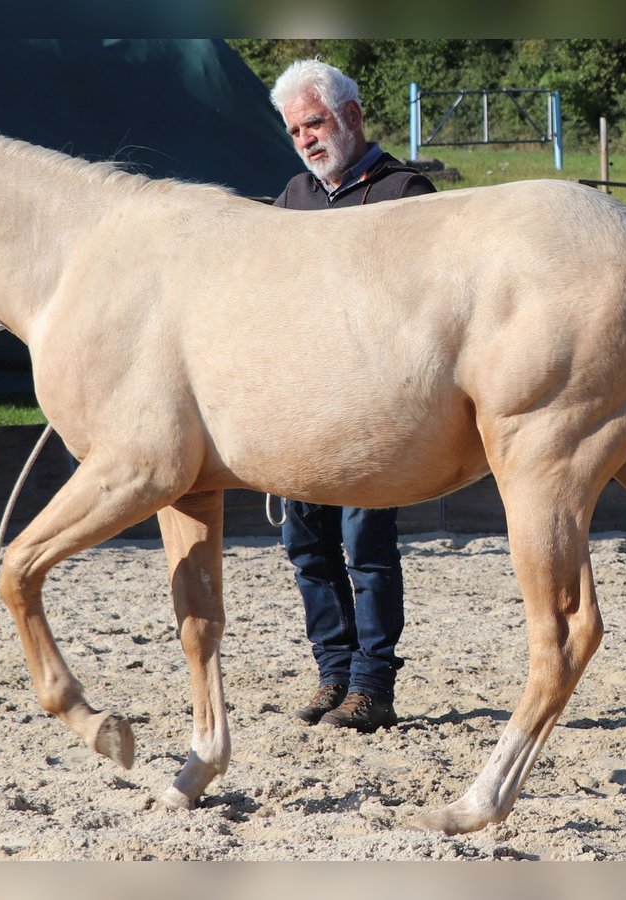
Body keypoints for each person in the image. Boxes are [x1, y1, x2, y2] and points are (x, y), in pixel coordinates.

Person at [268, 59, 436, 733]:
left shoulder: (405, 192)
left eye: (314, 123)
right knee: (306, 545)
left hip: (375, 406)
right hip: (306, 405)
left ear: (352, 116)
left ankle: (372, 688)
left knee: (366, 546)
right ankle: (332, 673)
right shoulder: (292, 198)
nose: (306, 139)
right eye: (295, 131)